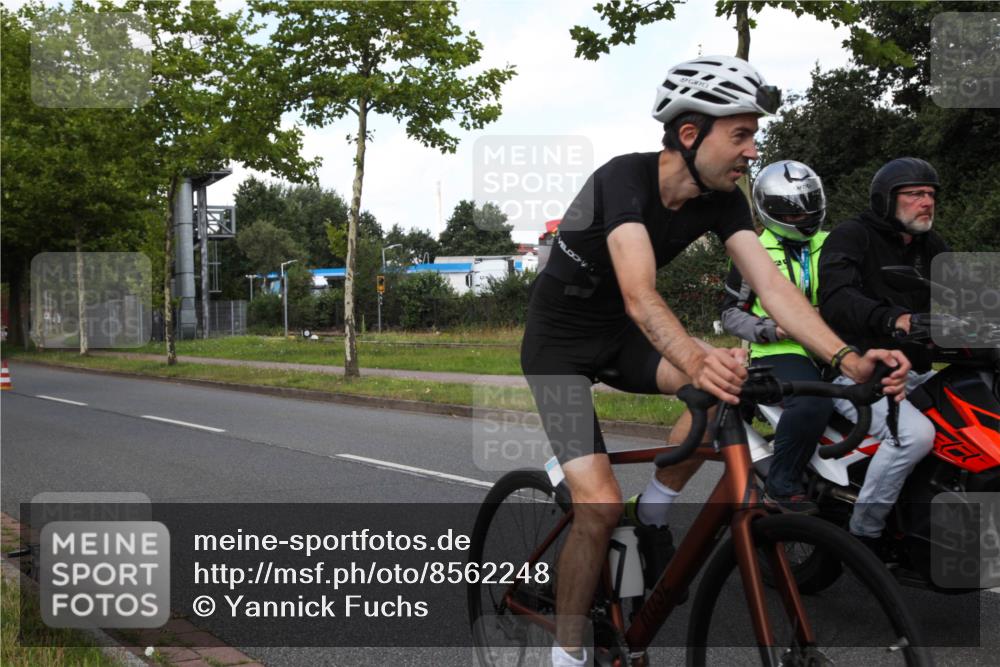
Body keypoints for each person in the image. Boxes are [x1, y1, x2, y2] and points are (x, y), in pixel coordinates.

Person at [519, 55, 910, 667]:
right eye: (741, 134)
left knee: (728, 381)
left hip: (621, 338)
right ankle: (566, 654)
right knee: (596, 505)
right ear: (689, 133)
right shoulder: (622, 179)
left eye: (754, 135)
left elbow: (774, 290)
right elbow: (639, 293)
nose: (752, 151)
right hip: (557, 347)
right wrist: (693, 356)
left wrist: (848, 358)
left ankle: (656, 504)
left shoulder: (724, 200)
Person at [819, 157, 949, 557]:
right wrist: (894, 319)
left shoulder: (934, 247)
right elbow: (837, 300)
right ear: (885, 201)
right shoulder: (851, 236)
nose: (925, 202)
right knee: (915, 436)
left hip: (911, 370)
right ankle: (865, 535)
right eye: (914, 194)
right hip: (855, 370)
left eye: (929, 194)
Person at [720, 160, 833, 514]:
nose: (804, 216)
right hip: (779, 349)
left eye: (810, 206)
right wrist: (773, 328)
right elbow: (729, 313)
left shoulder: (833, 243)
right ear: (770, 210)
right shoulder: (749, 251)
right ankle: (781, 484)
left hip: (830, 345)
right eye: (792, 211)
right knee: (813, 401)